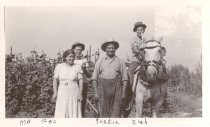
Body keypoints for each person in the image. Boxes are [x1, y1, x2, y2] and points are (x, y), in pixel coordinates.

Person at [91, 38, 128, 118]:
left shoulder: (120, 61)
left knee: (116, 110)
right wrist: (96, 92)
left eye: (113, 48)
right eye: (109, 48)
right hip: (103, 87)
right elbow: (94, 79)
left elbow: (125, 79)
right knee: (104, 110)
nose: (111, 50)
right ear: (105, 49)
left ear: (115, 49)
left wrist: (124, 93)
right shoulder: (100, 61)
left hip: (117, 87)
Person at [124, 22, 147, 117]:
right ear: (136, 31)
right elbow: (135, 50)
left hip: (146, 61)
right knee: (129, 73)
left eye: (141, 30)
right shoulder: (134, 39)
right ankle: (128, 95)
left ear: (144, 30)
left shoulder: (147, 40)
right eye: (138, 30)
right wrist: (143, 56)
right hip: (136, 61)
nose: (140, 31)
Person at [52, 49, 83, 118]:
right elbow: (55, 80)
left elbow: (81, 81)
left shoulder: (77, 67)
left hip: (74, 91)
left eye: (73, 56)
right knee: (62, 110)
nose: (71, 58)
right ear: (65, 57)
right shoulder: (59, 66)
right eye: (70, 56)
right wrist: (55, 92)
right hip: (62, 91)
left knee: (73, 109)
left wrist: (80, 94)